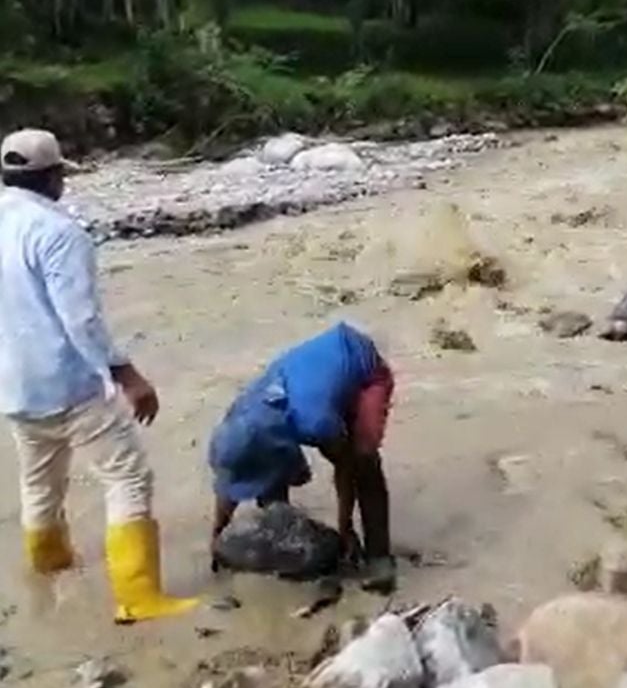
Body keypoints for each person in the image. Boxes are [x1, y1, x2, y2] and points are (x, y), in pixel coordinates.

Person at [0, 128, 199, 622]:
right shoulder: (58, 232)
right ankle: (139, 597)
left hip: (14, 386)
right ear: (53, 177)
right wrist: (128, 376)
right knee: (127, 476)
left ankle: (49, 568)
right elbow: (81, 320)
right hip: (68, 385)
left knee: (40, 480)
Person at [209, 322, 396, 591]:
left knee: (363, 459)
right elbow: (232, 473)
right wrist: (217, 535)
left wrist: (345, 526)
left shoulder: (316, 422)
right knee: (267, 475)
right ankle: (282, 542)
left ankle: (379, 557)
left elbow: (345, 467)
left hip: (360, 361)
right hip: (307, 379)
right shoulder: (242, 413)